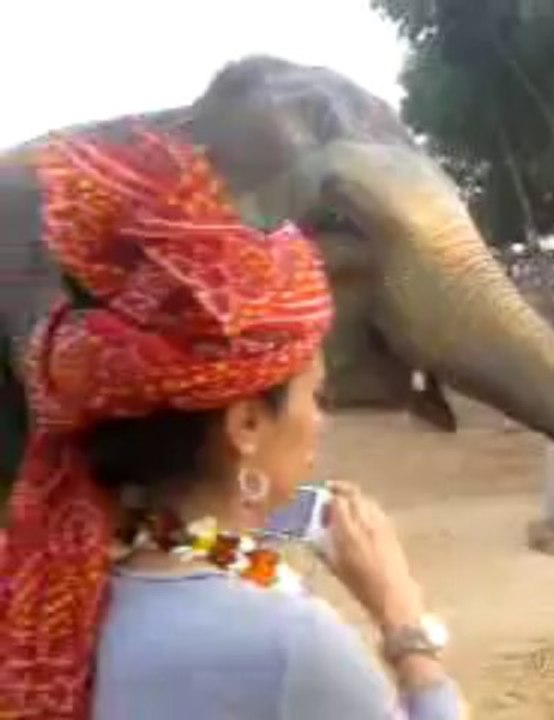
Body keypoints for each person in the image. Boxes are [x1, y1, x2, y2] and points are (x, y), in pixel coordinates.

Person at [0, 129, 465, 720]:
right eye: (313, 396)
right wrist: (404, 622)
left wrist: (261, 560)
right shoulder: (291, 647)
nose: (320, 421)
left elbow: (187, 550)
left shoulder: (42, 595)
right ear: (246, 423)